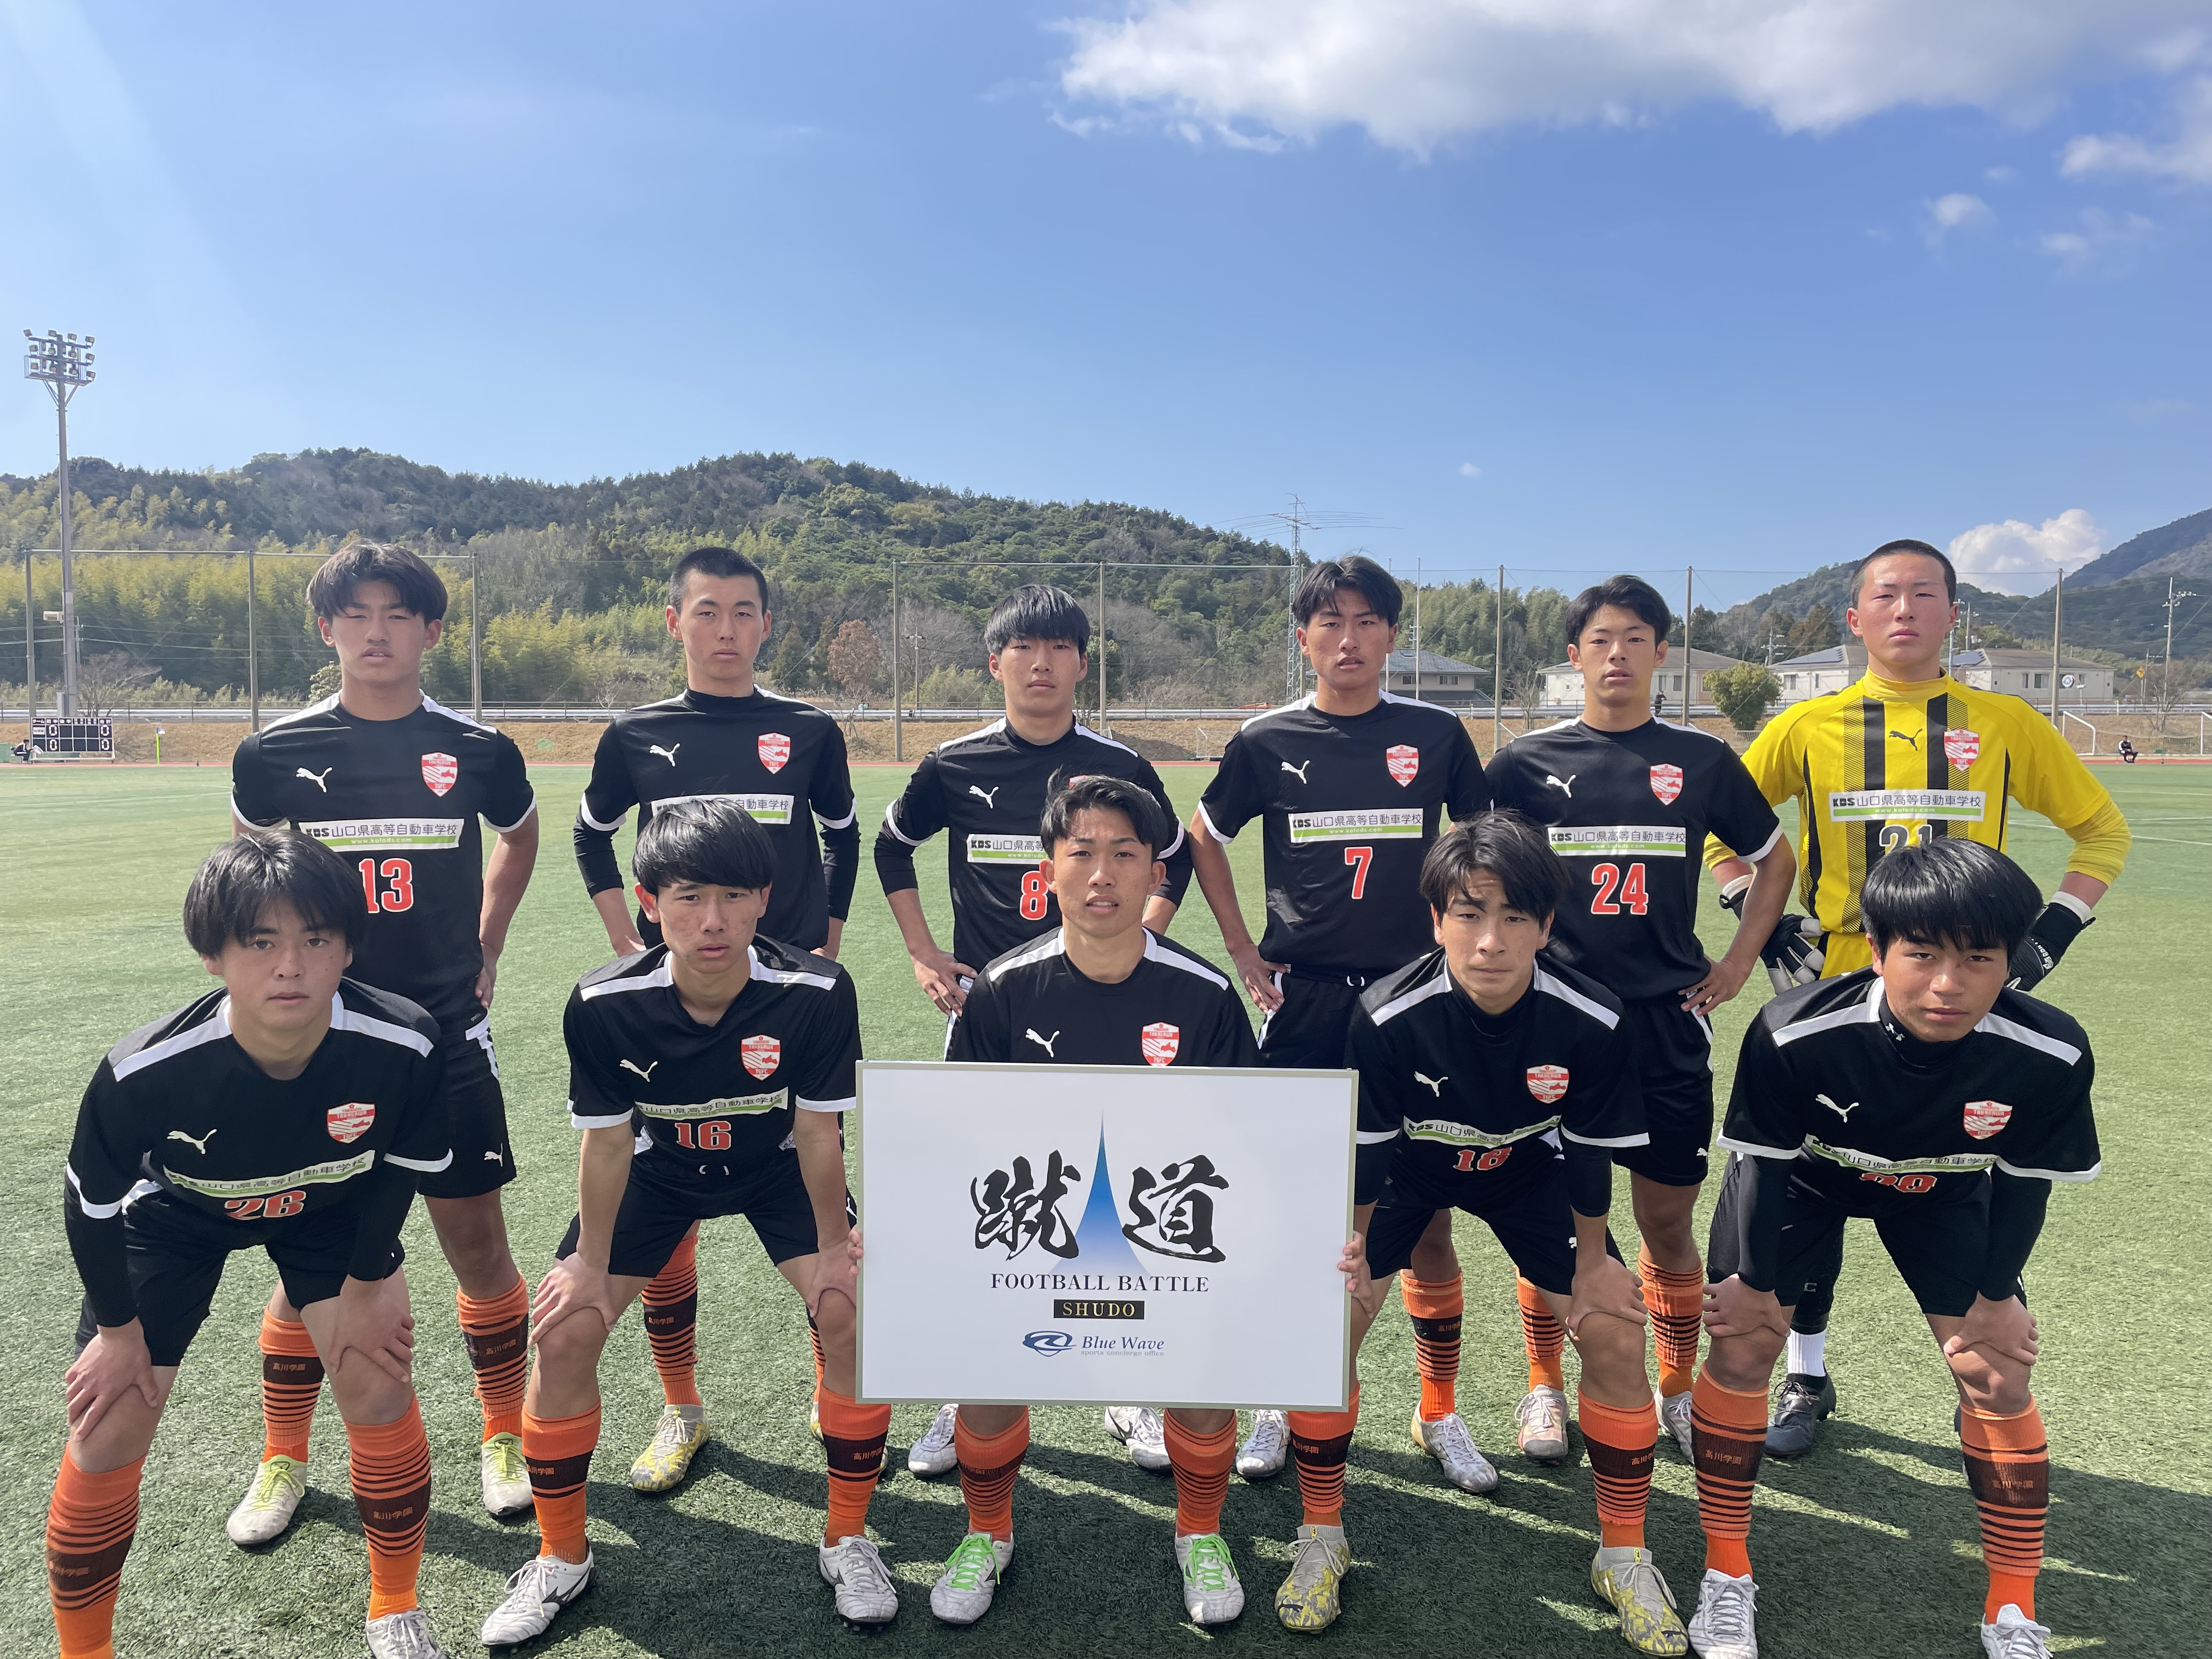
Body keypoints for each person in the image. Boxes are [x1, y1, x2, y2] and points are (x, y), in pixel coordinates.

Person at [1707, 540, 2128, 1457]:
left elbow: (2101, 832)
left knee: (1943, 1181)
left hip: (1953, 1002)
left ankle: (1980, 1360)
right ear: (1854, 618)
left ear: (1953, 614)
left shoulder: (2004, 721)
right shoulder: (1806, 725)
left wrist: (2049, 934)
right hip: (1827, 997)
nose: (1905, 610)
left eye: (1925, 594)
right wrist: (1757, 916)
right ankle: (1807, 1373)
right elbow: (1720, 826)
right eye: (1886, 595)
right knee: (1808, 1186)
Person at [480, 799, 893, 1643]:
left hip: (775, 1166)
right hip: (659, 1170)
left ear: (765, 898)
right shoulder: (603, 1002)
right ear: (648, 901)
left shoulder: (816, 991)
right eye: (690, 898)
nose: (714, 921)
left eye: (735, 896)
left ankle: (848, 1538)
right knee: (565, 1331)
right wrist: (590, 1261)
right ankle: (561, 1556)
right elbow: (607, 1145)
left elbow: (819, 1133)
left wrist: (832, 1254)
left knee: (853, 1309)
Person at [1685, 839, 2100, 1659]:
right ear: (1876, 950)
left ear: (2011, 960)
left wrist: (1996, 1298)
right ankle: (1725, 1576)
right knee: (1743, 1346)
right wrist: (1756, 1286)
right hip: (1805, 1183)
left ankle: (2013, 1612)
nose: (1948, 985)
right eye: (1923, 955)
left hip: (1941, 1188)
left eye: (1978, 959)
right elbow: (1763, 1164)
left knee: (1996, 1371)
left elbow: (2025, 1182)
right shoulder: (1794, 1032)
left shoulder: (2051, 1051)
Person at [49, 834, 456, 1659]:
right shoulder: (144, 1071)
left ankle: (395, 1604)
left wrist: (369, 1282)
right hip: (181, 1213)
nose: (291, 967)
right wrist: (119, 1334)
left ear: (349, 948)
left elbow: (402, 1168)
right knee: (109, 1421)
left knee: (376, 1378)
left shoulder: (405, 1041)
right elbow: (90, 1205)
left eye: (316, 939)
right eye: (260, 943)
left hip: (329, 1208)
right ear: (214, 956)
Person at [229, 540, 543, 1534]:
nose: (377, 632)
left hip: (446, 1038)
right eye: (356, 614)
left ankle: (504, 1435)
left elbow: (521, 835)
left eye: (398, 614)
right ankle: (283, 1457)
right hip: (321, 1047)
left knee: (479, 1248)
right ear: (326, 628)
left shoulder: (479, 749)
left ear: (431, 630)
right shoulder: (272, 754)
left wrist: (489, 944)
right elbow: (248, 884)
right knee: (310, 1261)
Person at [1329, 812, 1684, 1650]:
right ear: (1437, 920)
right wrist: (1354, 1255)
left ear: (1546, 927)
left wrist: (1593, 1264)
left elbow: (1590, 1150)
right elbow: (1369, 1151)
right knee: (1329, 1323)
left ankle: (1624, 1556)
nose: (1490, 940)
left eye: (1514, 917)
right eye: (1469, 914)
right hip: (1413, 1169)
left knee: (1615, 1335)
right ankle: (1322, 1534)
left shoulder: (1593, 1017)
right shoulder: (1385, 1015)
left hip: (1529, 1170)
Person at [874, 582, 1194, 1475]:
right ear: (995, 663)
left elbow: (1174, 858)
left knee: (1121, 1192)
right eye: (1024, 648)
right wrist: (923, 953)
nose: (1041, 663)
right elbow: (891, 845)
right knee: (984, 1198)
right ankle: (967, 1385)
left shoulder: (1121, 764)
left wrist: (1140, 945)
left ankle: (1127, 1383)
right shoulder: (953, 763)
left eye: (1059, 648)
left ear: (1083, 663)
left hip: (1109, 1011)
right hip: (994, 1013)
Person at [929, 774, 1261, 1627]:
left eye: (1125, 854)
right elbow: (957, 1134)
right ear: (1048, 872)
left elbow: (1250, 1137)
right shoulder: (1002, 989)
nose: (1103, 874)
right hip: (1037, 1226)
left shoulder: (1205, 994)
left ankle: (1200, 1532)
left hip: (1163, 1231)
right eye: (1083, 854)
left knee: (1204, 1371)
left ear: (1157, 872)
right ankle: (987, 1532)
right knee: (989, 1370)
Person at [1187, 554, 1488, 1481]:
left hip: (1417, 997)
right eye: (1330, 623)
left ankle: (1438, 1411)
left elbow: (1487, 846)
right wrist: (1241, 947)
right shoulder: (1265, 739)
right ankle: (1280, 1400)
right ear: (1304, 637)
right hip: (1309, 999)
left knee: (1427, 1216)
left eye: (1366, 622)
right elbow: (1202, 837)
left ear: (1392, 635)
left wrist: (1465, 947)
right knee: (1290, 1210)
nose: (1348, 640)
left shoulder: (1436, 733)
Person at [1484, 577, 1795, 1463]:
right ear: (1574, 655)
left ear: (1662, 653)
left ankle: (1677, 1386)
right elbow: (1476, 875)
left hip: (1664, 1021)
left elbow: (1775, 862)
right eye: (1599, 639)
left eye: (1634, 638)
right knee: (1552, 1218)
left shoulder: (1700, 760)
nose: (1616, 654)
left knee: (1665, 1221)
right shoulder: (1522, 764)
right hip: (1554, 1023)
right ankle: (1544, 1385)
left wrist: (1737, 962)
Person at [573, 544, 860, 1491]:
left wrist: (826, 945)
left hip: (783, 997)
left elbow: (844, 834)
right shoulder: (635, 733)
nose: (726, 630)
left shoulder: (807, 728)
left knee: (808, 1170)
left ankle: (831, 1386)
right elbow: (589, 834)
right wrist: (628, 942)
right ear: (675, 622)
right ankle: (681, 1407)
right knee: (669, 1207)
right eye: (707, 611)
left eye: (744, 612)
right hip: (679, 988)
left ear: (766, 625)